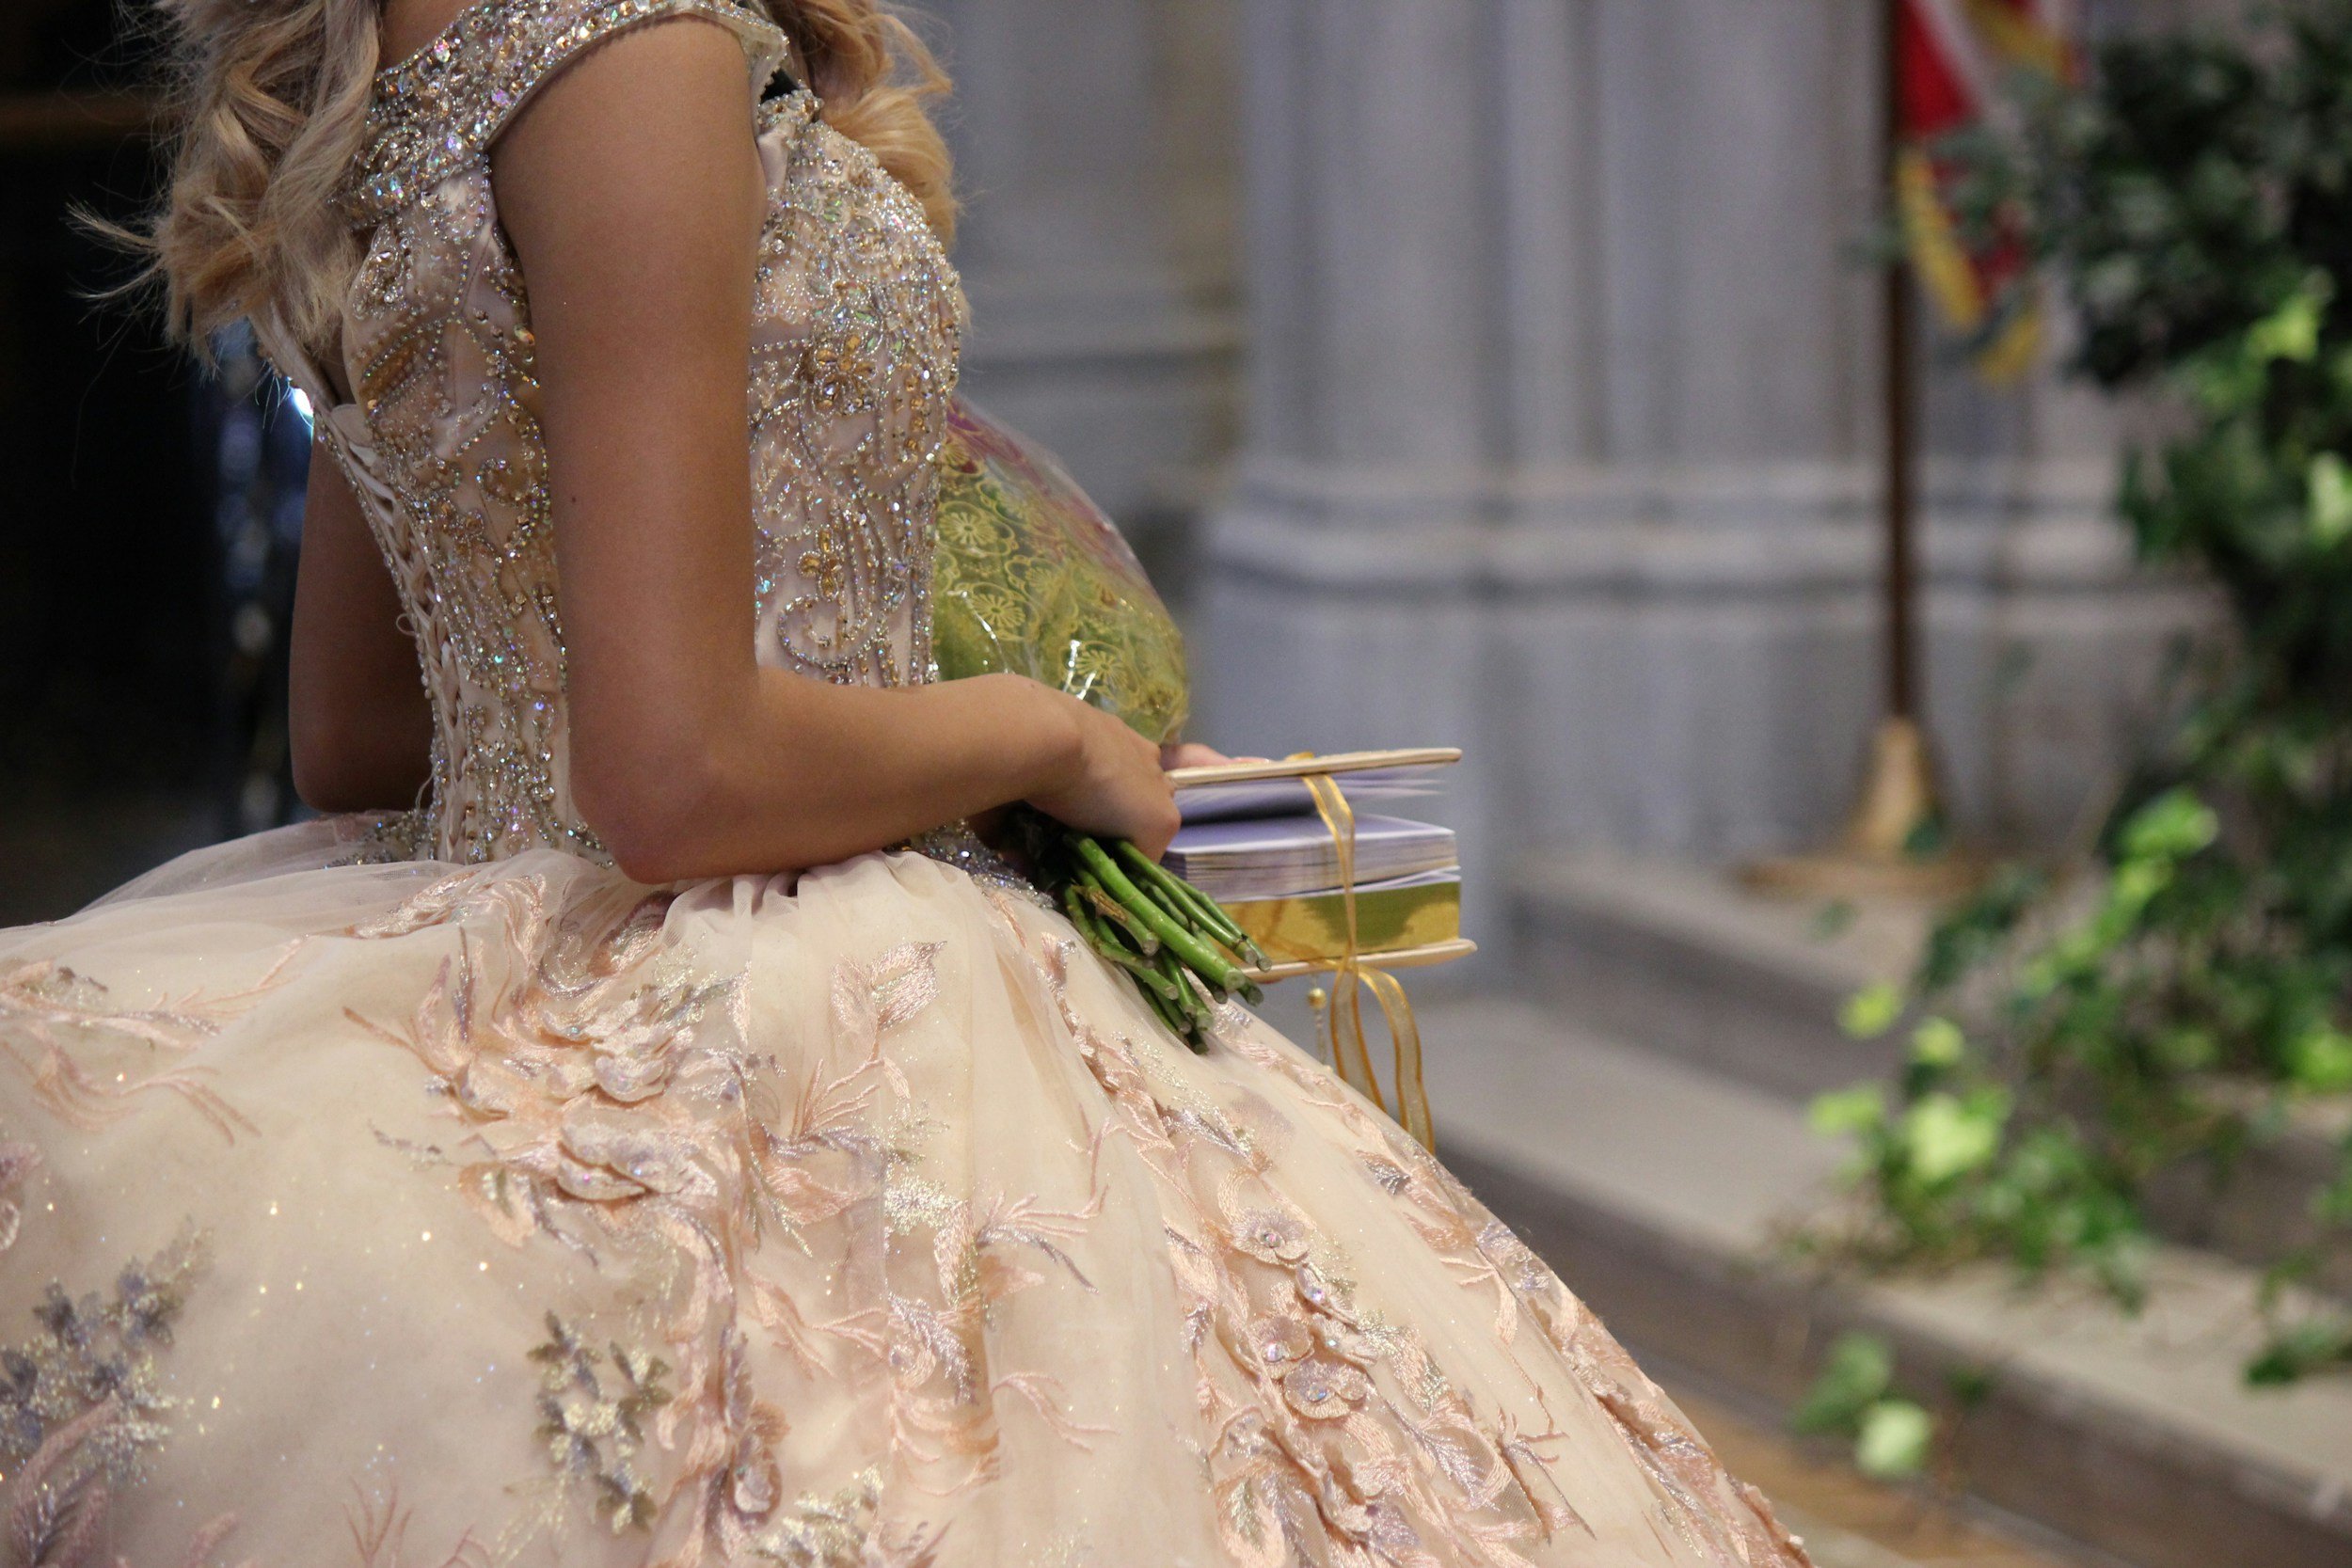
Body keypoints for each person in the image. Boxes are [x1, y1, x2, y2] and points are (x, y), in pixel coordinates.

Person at [0, 2, 1813, 1563]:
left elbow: (364, 744)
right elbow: (682, 773)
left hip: (488, 939)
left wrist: (864, 709)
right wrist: (1045, 734)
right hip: (774, 989)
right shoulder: (629, 48)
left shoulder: (401, 68)